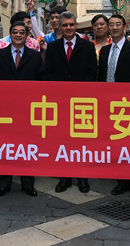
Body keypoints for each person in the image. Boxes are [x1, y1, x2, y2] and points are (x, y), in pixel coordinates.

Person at [0, 21, 45, 198]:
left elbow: (42, 82)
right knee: (4, 148)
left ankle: (28, 184)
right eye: (15, 32)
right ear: (10, 34)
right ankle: (3, 184)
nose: (18, 35)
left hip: (27, 110)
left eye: (22, 32)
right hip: (4, 111)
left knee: (26, 148)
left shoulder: (35, 57)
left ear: (27, 35)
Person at [45, 11, 96, 194]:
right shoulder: (52, 47)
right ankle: (64, 177)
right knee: (62, 141)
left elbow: (92, 73)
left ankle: (82, 178)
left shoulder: (87, 46)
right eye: (64, 25)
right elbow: (48, 73)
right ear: (59, 26)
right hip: (60, 102)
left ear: (76, 26)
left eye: (71, 25)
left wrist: (80, 92)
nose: (68, 28)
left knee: (82, 141)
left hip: (81, 102)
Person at [98, 14, 130, 200]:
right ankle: (122, 182)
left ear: (125, 26)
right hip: (109, 105)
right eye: (111, 25)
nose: (115, 27)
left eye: (118, 24)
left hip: (129, 105)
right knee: (116, 146)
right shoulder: (104, 51)